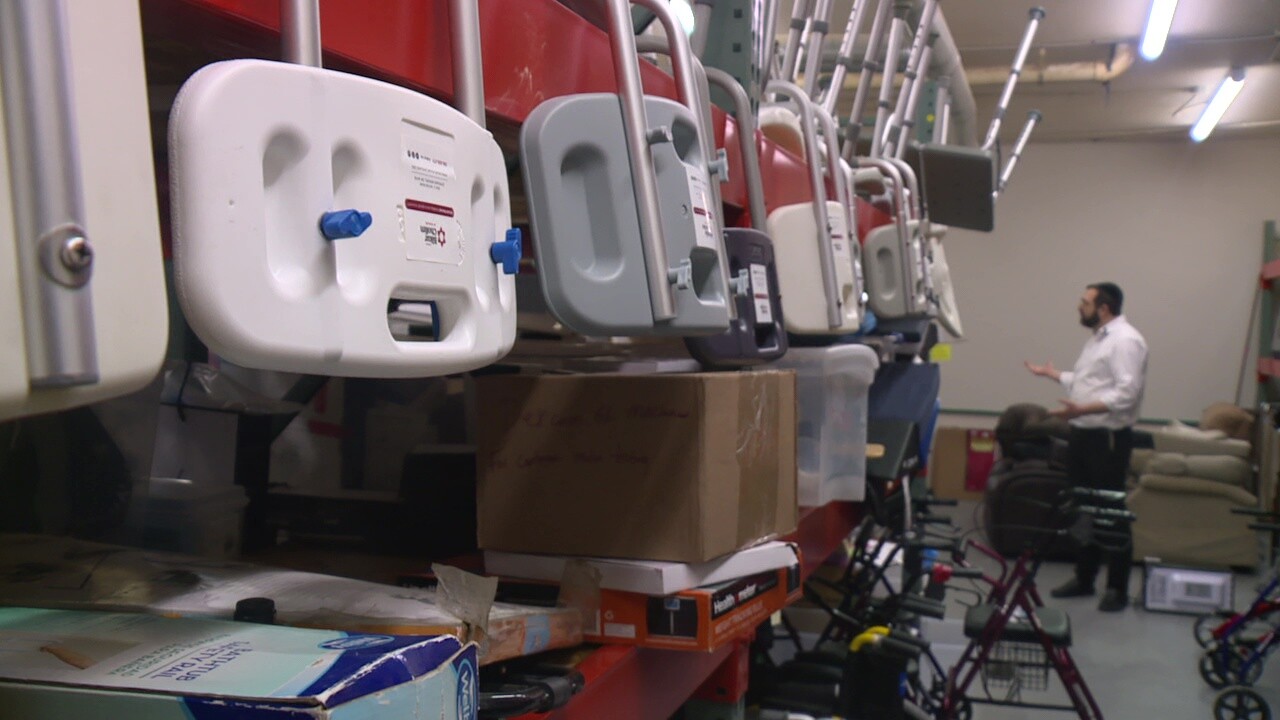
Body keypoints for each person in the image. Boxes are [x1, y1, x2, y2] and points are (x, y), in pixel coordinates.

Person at [1024, 282, 1148, 612]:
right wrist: (1054, 375)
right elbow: (1089, 383)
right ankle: (1084, 578)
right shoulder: (1098, 339)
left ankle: (1117, 589)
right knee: (1083, 509)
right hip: (1082, 434)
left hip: (1107, 439)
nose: (1080, 307)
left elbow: (1127, 393)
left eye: (1085, 302)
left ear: (1104, 308)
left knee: (1111, 512)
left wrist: (1082, 409)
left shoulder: (1126, 341)